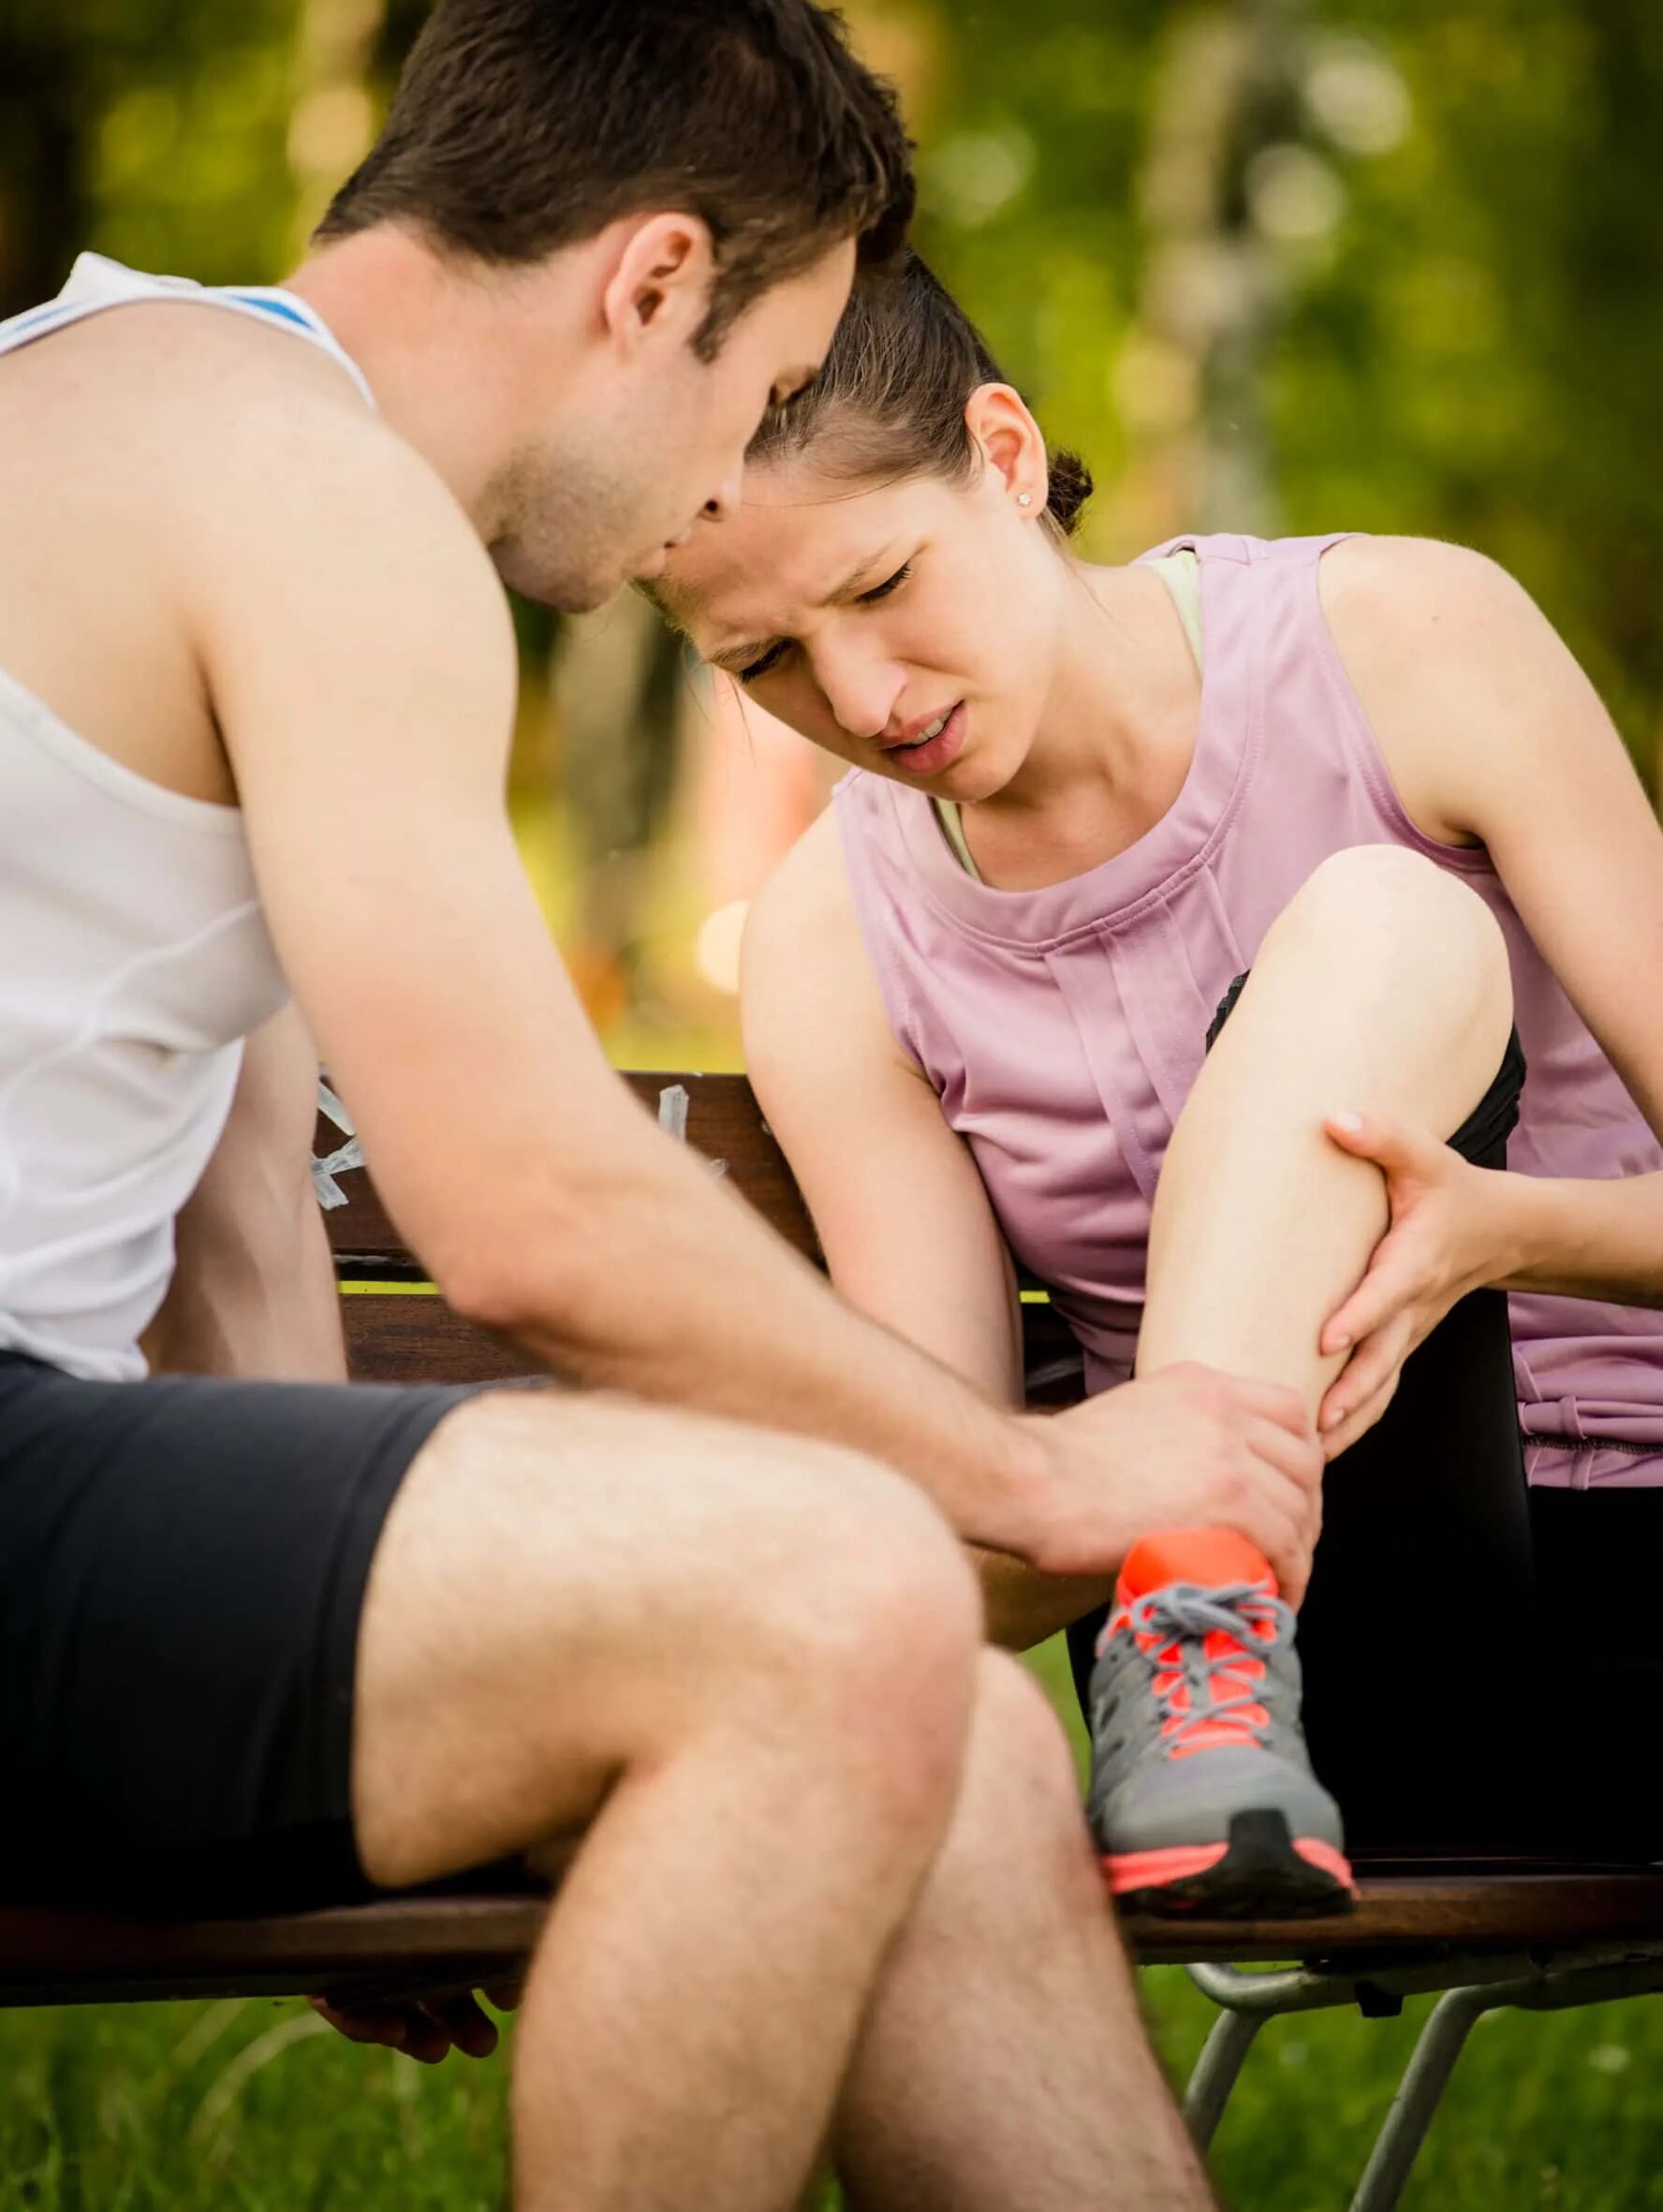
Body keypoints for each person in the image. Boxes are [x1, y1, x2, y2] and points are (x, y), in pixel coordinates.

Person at [0, 7, 1324, 2208]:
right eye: (758, 381)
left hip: (60, 1486)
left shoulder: (109, 388)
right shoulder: (334, 510)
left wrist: (337, 1718)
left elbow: (231, 1189)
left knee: (962, 1740)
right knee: (845, 1587)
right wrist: (1034, 1465)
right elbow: (525, 1208)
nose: (727, 488)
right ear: (649, 282)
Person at [659, 252, 1663, 1903]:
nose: (863, 699)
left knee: (1383, 915)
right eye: (763, 661)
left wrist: (1493, 1233)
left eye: (882, 582)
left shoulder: (1411, 639)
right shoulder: (833, 941)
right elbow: (965, 1529)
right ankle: (1203, 1586)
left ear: (1001, 451)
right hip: (1319, 1683)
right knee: (1381, 914)